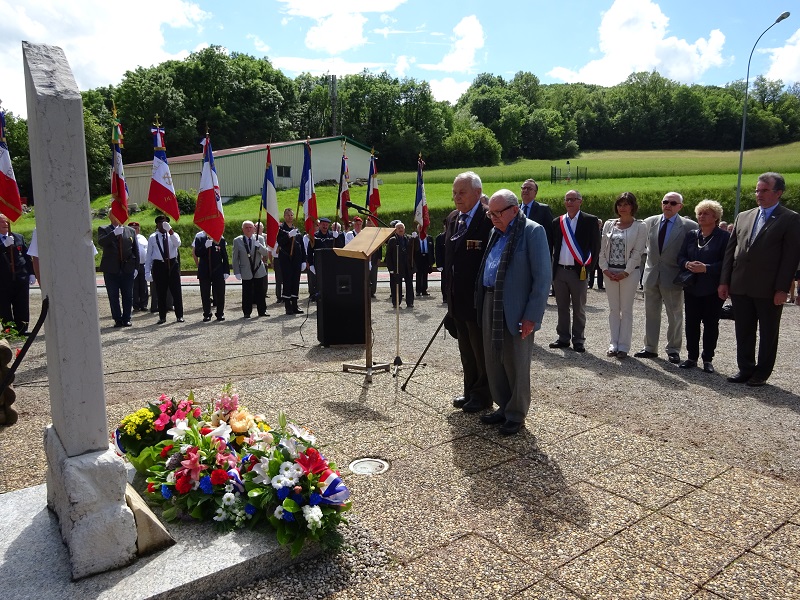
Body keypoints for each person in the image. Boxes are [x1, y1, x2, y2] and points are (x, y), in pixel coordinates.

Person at [475, 189, 550, 435]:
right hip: (490, 302)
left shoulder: (532, 231)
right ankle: (503, 406)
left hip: (517, 310)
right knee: (494, 359)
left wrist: (532, 316)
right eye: (490, 213)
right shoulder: (494, 232)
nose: (493, 217)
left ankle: (516, 413)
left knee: (516, 362)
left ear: (514, 210)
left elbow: (542, 279)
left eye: (498, 213)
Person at [719, 172, 800, 386]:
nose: (759, 194)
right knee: (743, 329)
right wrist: (724, 281)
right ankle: (745, 368)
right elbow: (731, 251)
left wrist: (782, 288)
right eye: (757, 190)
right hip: (740, 285)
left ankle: (761, 373)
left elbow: (791, 257)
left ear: (778, 193)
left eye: (764, 190)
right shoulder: (744, 216)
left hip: (769, 288)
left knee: (768, 332)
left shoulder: (790, 218)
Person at [444, 171, 493, 412]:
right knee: (465, 349)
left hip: (476, 299)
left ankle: (483, 396)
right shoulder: (454, 218)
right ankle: (469, 390)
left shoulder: (487, 219)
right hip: (456, 298)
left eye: (462, 192)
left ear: (477, 192)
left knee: (480, 350)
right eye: (454, 192)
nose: (457, 197)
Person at [634, 192, 695, 363]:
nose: (668, 205)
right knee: (651, 313)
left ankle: (673, 349)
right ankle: (650, 347)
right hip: (651, 275)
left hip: (673, 277)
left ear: (680, 207)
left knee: (675, 315)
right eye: (665, 202)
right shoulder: (649, 222)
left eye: (673, 203)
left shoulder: (689, 226)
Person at [676, 200, 730, 373]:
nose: (701, 216)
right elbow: (680, 257)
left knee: (711, 324)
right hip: (692, 287)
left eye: (706, 213)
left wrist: (706, 268)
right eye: (700, 213)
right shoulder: (692, 235)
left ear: (715, 217)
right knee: (691, 323)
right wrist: (687, 264)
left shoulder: (724, 237)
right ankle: (692, 357)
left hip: (712, 288)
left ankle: (708, 359)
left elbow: (727, 263)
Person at [549, 189, 601, 353]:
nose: (569, 202)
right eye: (567, 199)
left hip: (579, 271)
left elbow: (595, 247)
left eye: (573, 199)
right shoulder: (557, 221)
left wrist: (590, 271)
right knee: (562, 306)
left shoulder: (590, 220)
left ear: (580, 201)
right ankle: (563, 338)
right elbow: (553, 246)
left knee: (579, 308)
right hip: (560, 271)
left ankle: (578, 340)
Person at [598, 192, 647, 358]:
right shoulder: (609, 224)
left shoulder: (640, 226)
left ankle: (624, 346)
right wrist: (604, 269)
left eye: (626, 204)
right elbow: (602, 249)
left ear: (632, 206)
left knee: (626, 310)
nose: (622, 208)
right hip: (609, 272)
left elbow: (638, 251)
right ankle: (613, 343)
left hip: (629, 274)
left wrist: (625, 272)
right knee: (613, 309)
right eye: (620, 204)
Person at [97, 213, 139, 328]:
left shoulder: (130, 230)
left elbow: (135, 249)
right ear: (110, 216)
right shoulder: (104, 229)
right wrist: (113, 234)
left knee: (128, 295)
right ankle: (117, 319)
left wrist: (136, 267)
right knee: (113, 295)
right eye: (114, 213)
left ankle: (127, 318)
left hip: (127, 268)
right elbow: (101, 242)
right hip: (111, 269)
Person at [145, 215, 184, 324]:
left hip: (172, 264)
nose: (163, 225)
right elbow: (149, 255)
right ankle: (162, 316)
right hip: (159, 265)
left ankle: (179, 315)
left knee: (176, 291)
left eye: (165, 222)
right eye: (161, 223)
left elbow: (178, 244)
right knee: (160, 292)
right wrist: (147, 271)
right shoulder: (153, 237)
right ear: (157, 225)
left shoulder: (173, 235)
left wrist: (170, 231)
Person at [0, 214, 34, 334]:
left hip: (20, 277)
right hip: (3, 280)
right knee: (4, 307)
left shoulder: (18, 237)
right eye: (2, 222)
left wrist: (31, 273)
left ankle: (22, 329)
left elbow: (26, 256)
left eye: (6, 222)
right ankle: (9, 330)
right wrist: (3, 246)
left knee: (22, 304)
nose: (5, 224)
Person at [232, 220, 269, 318]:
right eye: (246, 228)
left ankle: (262, 311)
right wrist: (237, 272)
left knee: (260, 292)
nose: (248, 229)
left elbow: (265, 253)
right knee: (247, 292)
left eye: (250, 227)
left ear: (254, 229)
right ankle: (247, 312)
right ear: (243, 229)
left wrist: (259, 246)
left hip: (258, 269)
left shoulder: (259, 238)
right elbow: (235, 258)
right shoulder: (237, 240)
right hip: (246, 270)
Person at [195, 229, 230, 322]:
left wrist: (226, 270)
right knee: (205, 294)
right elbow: (197, 253)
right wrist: (205, 246)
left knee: (220, 293)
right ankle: (207, 314)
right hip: (204, 270)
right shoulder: (199, 239)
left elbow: (224, 256)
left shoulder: (220, 240)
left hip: (218, 270)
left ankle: (220, 313)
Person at [276, 208, 306, 315]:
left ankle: (295, 305)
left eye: (291, 215)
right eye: (288, 215)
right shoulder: (280, 229)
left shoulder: (296, 230)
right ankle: (288, 306)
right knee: (287, 281)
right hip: (286, 259)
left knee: (295, 282)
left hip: (296, 260)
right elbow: (280, 242)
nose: (290, 217)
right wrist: (288, 235)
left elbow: (301, 246)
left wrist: (303, 260)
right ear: (284, 216)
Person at [519, 178, 554, 256]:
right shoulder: (515, 210)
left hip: (536, 253)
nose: (526, 190)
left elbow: (549, 235)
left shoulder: (543, 209)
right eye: (523, 188)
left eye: (529, 188)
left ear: (535, 193)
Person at [386, 222, 414, 308]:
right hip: (397, 266)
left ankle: (410, 302)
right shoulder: (393, 240)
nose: (401, 229)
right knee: (396, 285)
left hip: (407, 265)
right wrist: (390, 268)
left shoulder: (409, 238)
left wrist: (415, 239)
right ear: (395, 230)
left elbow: (415, 249)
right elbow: (388, 255)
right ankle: (396, 302)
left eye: (402, 228)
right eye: (398, 228)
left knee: (409, 284)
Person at [130, 222, 149, 311]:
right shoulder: (127, 237)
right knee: (134, 286)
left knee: (143, 285)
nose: (135, 230)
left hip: (143, 264)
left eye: (136, 228)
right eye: (133, 228)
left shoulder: (143, 238)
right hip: (132, 265)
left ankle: (144, 304)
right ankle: (136, 305)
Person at [413, 224, 434, 297]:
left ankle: (424, 290)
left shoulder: (429, 238)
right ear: (417, 229)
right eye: (420, 228)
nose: (421, 230)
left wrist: (432, 261)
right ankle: (418, 290)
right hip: (418, 258)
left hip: (426, 257)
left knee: (425, 274)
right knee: (418, 274)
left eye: (423, 228)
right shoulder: (415, 238)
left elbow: (431, 250)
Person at [588, 218, 605, 290]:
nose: (598, 225)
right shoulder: (591, 232)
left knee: (600, 270)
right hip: (593, 254)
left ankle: (600, 285)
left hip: (601, 254)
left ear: (601, 225)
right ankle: (590, 284)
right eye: (597, 223)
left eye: (599, 224)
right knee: (592, 270)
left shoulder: (604, 233)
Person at [434, 218, 447, 303]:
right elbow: (437, 252)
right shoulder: (440, 237)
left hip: (453, 263)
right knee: (444, 281)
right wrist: (439, 265)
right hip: (444, 263)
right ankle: (445, 297)